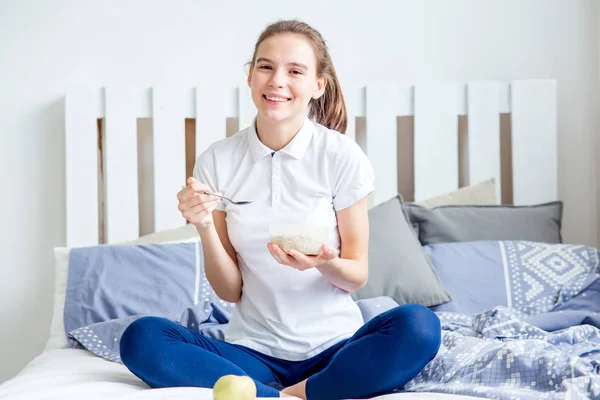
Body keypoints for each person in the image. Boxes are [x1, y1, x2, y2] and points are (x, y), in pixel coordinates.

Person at [120, 19, 441, 400]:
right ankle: (279, 394)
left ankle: (291, 393)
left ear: (317, 86)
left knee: (420, 325)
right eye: (266, 67)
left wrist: (322, 262)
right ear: (251, 75)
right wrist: (204, 225)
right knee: (141, 337)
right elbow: (230, 290)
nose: (276, 81)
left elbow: (356, 275)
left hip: (336, 348)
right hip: (251, 352)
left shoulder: (341, 156)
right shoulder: (218, 161)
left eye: (295, 71)